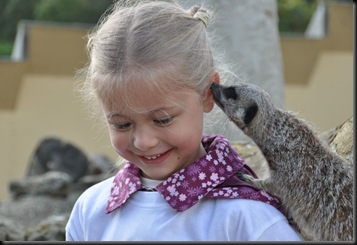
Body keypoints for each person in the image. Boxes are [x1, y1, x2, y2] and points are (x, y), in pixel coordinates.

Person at [65, 0, 303, 241]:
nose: (144, 142)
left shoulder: (248, 217)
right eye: (122, 124)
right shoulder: (90, 212)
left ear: (208, 95)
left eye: (162, 119)